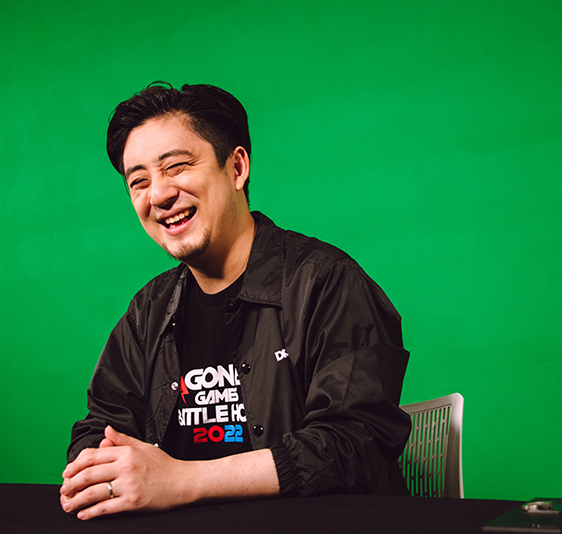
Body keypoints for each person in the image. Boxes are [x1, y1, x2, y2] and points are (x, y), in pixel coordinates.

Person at [60, 82, 411, 520]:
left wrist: (180, 480)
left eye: (177, 167)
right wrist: (99, 466)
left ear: (237, 167)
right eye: (139, 182)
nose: (159, 195)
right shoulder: (149, 310)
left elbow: (354, 445)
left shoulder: (326, 282)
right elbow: (101, 424)